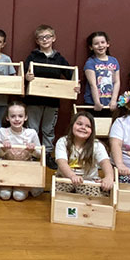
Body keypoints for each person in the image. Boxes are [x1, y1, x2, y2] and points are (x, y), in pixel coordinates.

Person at [23, 24, 75, 169]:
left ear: (54, 38)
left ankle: (47, 155)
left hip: (52, 101)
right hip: (33, 100)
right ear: (37, 41)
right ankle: (32, 154)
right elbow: (25, 74)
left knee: (48, 129)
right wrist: (27, 77)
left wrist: (75, 85)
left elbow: (71, 76)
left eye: (48, 37)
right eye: (41, 38)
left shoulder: (59, 59)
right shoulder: (32, 57)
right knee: (32, 128)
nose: (44, 40)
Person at [55, 111, 114, 197]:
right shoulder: (63, 142)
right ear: (72, 126)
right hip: (65, 179)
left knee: (91, 200)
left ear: (92, 130)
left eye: (88, 126)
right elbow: (62, 162)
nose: (83, 127)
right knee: (59, 198)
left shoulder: (97, 145)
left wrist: (109, 177)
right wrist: (72, 176)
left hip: (88, 180)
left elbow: (105, 162)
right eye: (79, 124)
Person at [0, 101, 41, 201]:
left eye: (20, 116)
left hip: (24, 169)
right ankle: (5, 186)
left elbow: (39, 155)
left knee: (18, 196)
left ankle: (23, 188)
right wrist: (3, 149)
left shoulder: (31, 133)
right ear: (7, 118)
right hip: (6, 169)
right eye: (13, 116)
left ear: (25, 117)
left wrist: (32, 150)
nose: (17, 119)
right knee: (5, 195)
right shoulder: (2, 132)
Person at [83, 31, 120, 117]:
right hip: (93, 103)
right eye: (96, 44)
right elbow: (93, 84)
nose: (100, 45)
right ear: (91, 47)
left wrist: (114, 100)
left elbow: (116, 82)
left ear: (108, 44)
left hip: (110, 104)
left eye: (103, 42)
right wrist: (97, 102)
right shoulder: (90, 62)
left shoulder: (114, 61)